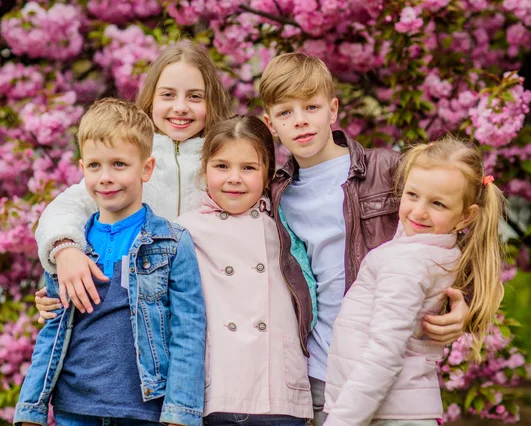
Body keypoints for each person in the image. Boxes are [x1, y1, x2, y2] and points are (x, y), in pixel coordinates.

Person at [259, 53, 471, 426]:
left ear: (333, 109)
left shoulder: (387, 170)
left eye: (312, 106)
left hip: (392, 364)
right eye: (285, 112)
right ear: (271, 123)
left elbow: (457, 234)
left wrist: (466, 304)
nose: (301, 120)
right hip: (322, 371)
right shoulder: (276, 194)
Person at [13, 98, 206, 426]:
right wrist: (30, 409)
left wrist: (181, 414)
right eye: (95, 166)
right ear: (82, 168)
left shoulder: (172, 243)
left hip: (143, 409)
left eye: (119, 164)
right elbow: (53, 330)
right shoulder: (71, 249)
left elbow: (188, 330)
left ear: (146, 168)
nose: (105, 177)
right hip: (74, 408)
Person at [33, 41, 233, 314]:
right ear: (151, 100)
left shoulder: (224, 163)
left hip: (208, 309)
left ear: (212, 102)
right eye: (168, 95)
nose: (181, 107)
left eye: (195, 97)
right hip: (139, 314)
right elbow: (68, 206)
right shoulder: (130, 160)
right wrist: (65, 250)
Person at [323, 136, 505, 426]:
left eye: (438, 204)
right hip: (401, 409)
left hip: (384, 413)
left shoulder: (406, 263)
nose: (419, 211)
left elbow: (384, 354)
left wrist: (341, 421)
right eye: (411, 195)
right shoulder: (435, 251)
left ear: (465, 217)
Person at [176, 116, 313, 425]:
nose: (234, 178)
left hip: (278, 391)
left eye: (248, 168)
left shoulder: (285, 227)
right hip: (217, 388)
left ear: (267, 175)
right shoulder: (184, 230)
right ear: (205, 169)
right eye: (222, 166)